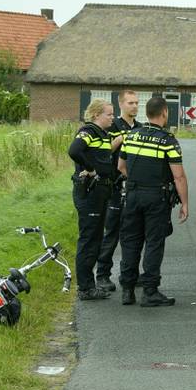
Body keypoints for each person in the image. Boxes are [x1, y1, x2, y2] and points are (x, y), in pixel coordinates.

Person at [116, 96, 189, 307]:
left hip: (132, 195)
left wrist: (137, 181)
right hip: (156, 197)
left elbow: (121, 167)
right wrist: (184, 203)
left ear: (146, 113)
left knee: (131, 242)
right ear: (164, 112)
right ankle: (149, 291)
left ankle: (127, 291)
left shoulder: (131, 136)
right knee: (154, 243)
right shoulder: (168, 140)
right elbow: (179, 176)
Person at [68, 99, 116, 300]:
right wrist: (90, 169)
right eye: (109, 114)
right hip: (89, 192)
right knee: (89, 239)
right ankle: (85, 288)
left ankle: (90, 284)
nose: (112, 118)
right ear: (96, 115)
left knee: (96, 238)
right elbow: (74, 150)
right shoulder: (88, 131)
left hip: (101, 192)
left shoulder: (103, 134)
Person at [95, 89, 142, 292]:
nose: (134, 106)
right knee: (112, 232)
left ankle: (130, 273)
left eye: (137, 103)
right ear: (121, 104)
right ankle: (103, 275)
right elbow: (103, 151)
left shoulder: (141, 128)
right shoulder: (112, 127)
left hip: (135, 187)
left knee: (134, 233)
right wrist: (121, 138)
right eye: (130, 103)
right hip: (114, 186)